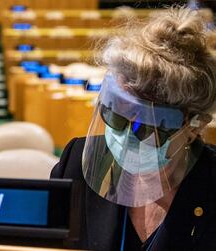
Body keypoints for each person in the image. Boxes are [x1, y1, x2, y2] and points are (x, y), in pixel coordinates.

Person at [51, 7, 216, 251]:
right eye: (115, 117)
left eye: (145, 127)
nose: (125, 137)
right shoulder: (75, 163)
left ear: (194, 126)